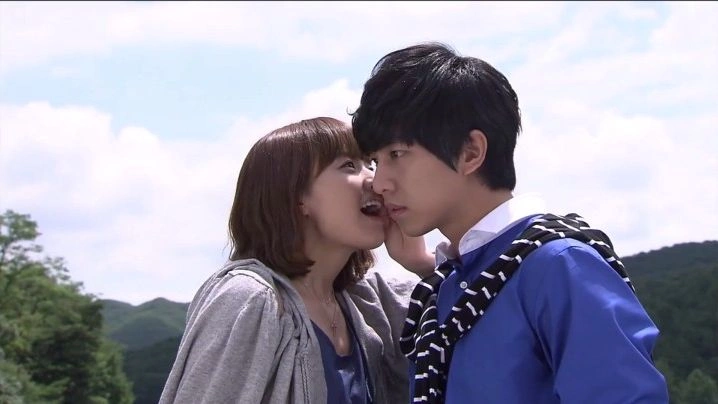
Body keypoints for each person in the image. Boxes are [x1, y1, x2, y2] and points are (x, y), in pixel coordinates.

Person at [350, 42, 670, 403]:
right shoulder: (453, 284)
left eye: (397, 154)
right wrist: (429, 268)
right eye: (375, 162)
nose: (379, 183)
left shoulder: (559, 265)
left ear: (470, 152)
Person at [158, 117, 429, 404]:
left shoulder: (371, 302)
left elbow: (460, 331)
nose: (376, 180)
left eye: (370, 164)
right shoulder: (250, 299)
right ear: (297, 196)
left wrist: (422, 264)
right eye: (349, 165)